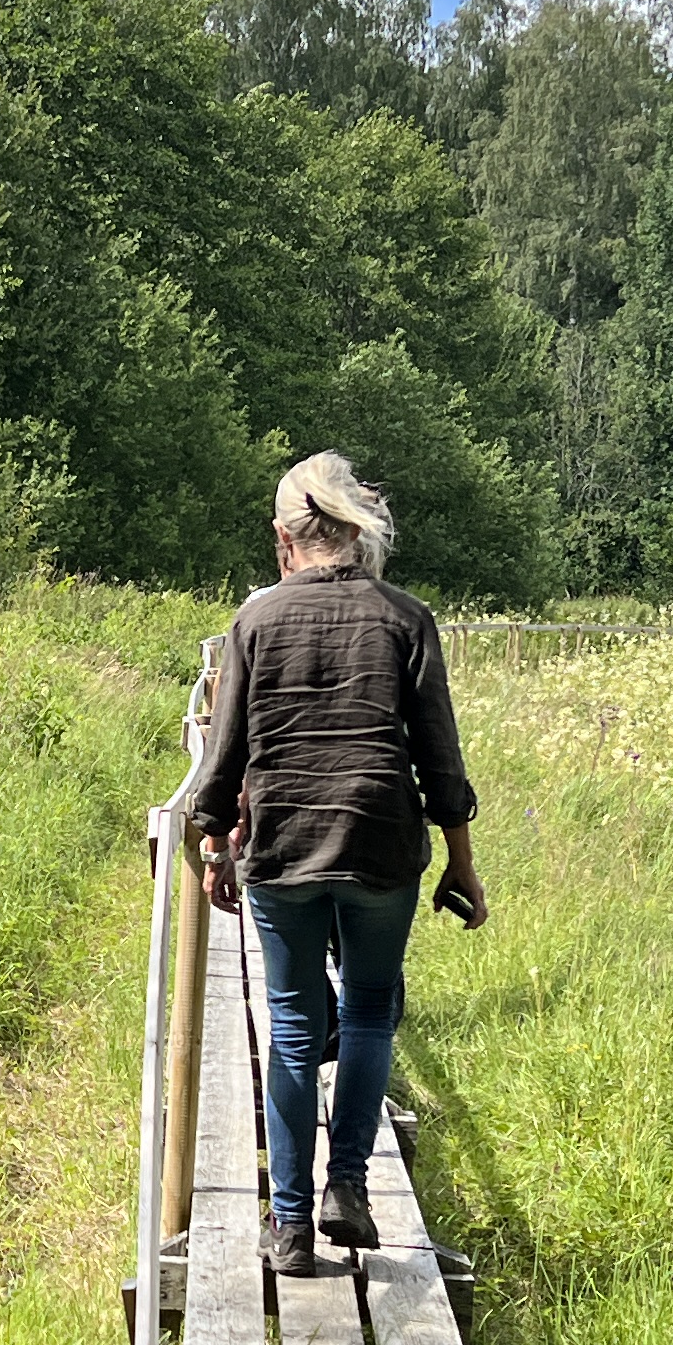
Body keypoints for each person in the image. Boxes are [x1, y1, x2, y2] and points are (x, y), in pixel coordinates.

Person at [184, 452, 486, 1278]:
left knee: (289, 1027)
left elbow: (226, 750)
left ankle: (288, 1228)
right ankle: (347, 1183)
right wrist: (462, 865)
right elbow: (441, 761)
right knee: (369, 1010)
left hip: (282, 841)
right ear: (354, 533)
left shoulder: (257, 621)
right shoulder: (405, 618)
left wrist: (215, 844)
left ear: (284, 538)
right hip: (381, 841)